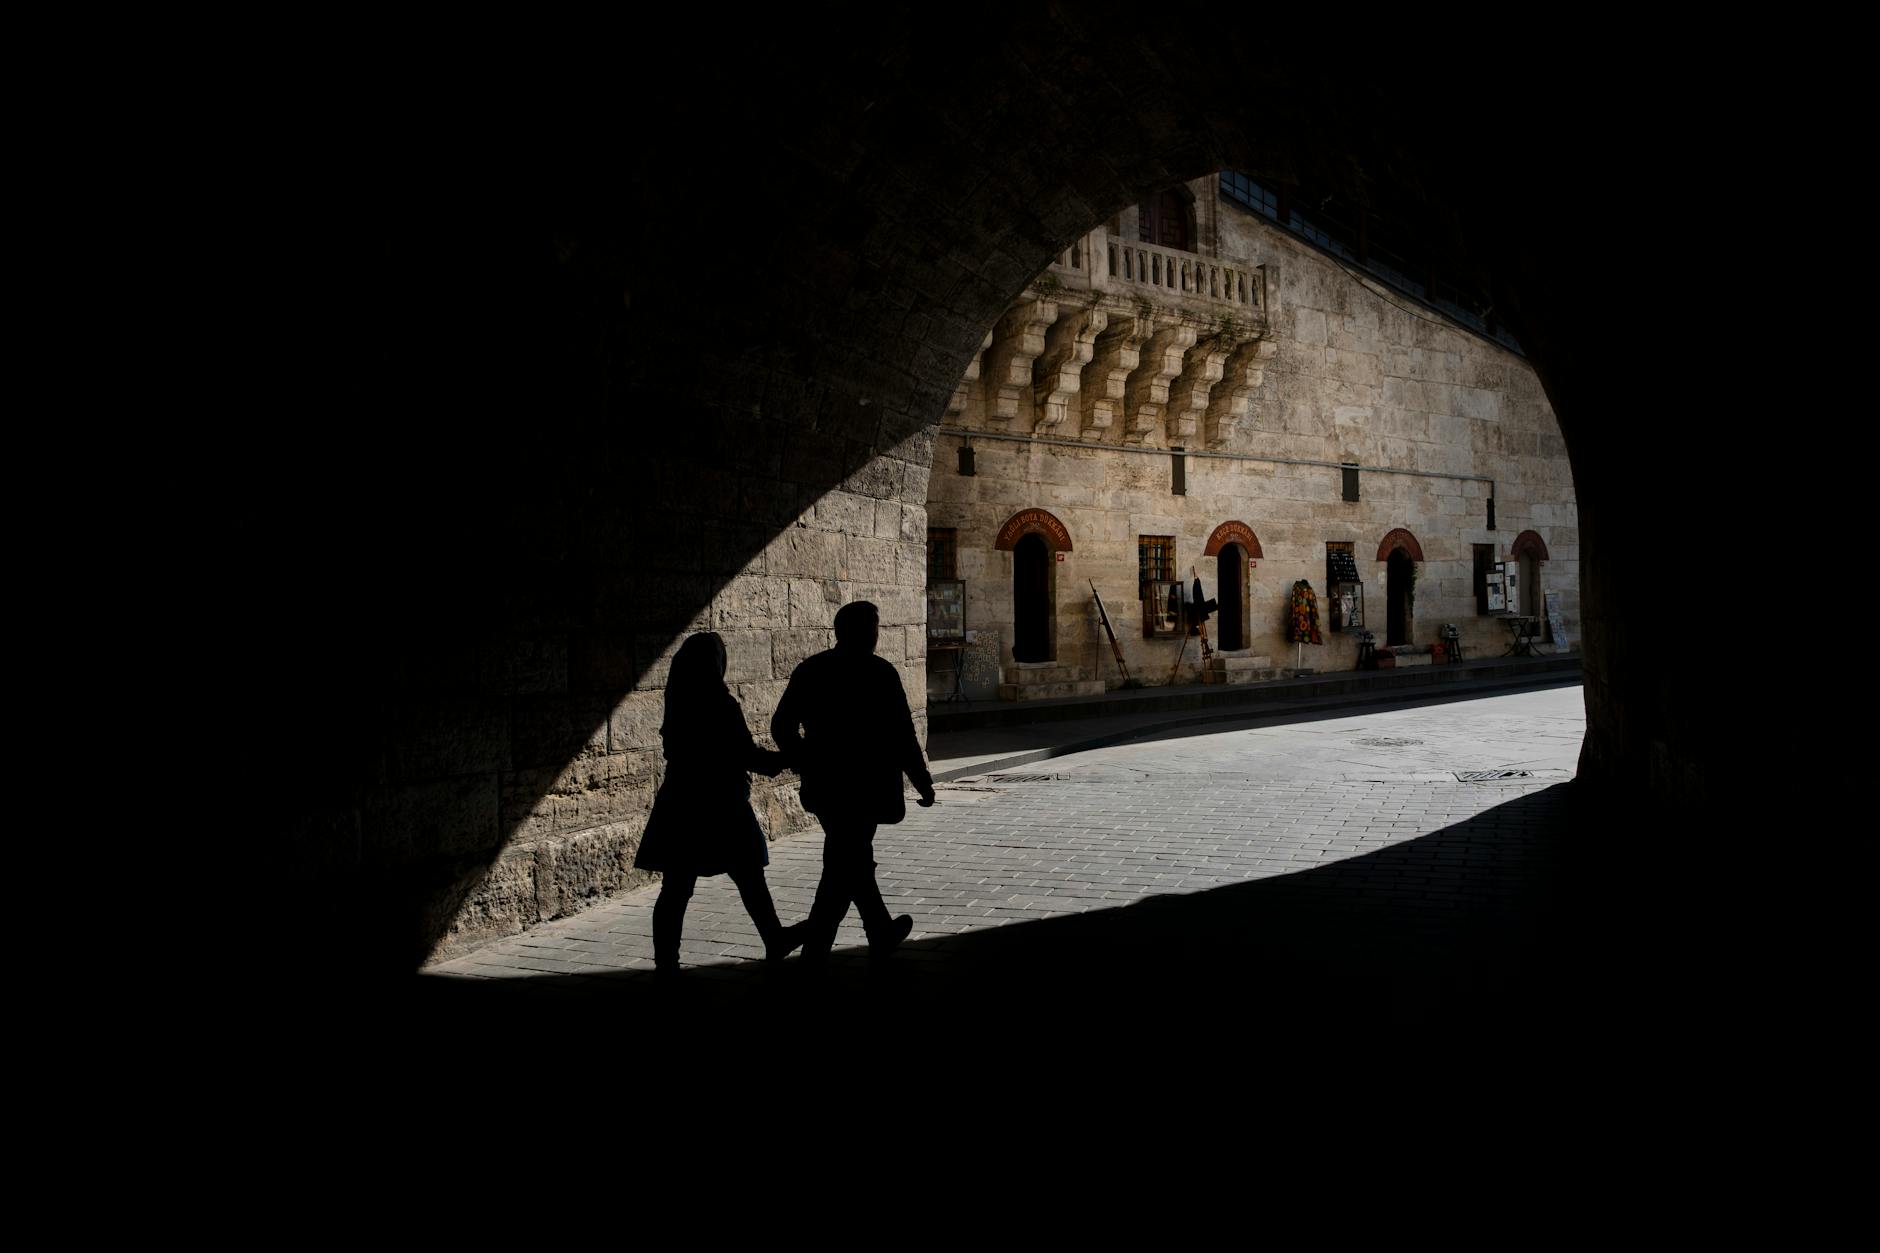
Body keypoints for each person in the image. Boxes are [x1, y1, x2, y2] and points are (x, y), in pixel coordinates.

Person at [771, 600, 936, 963]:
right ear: (866, 632)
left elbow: (781, 725)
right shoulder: (880, 673)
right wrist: (921, 780)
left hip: (825, 786)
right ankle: (812, 947)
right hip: (867, 787)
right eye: (874, 629)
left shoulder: (811, 670)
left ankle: (880, 929)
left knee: (850, 858)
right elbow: (902, 734)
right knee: (846, 865)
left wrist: (805, 760)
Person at [634, 632, 802, 975]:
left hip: (681, 802)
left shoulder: (678, 700)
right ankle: (773, 937)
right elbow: (744, 753)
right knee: (749, 876)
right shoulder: (721, 704)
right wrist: (786, 759)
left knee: (676, 888)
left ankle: (666, 962)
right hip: (722, 804)